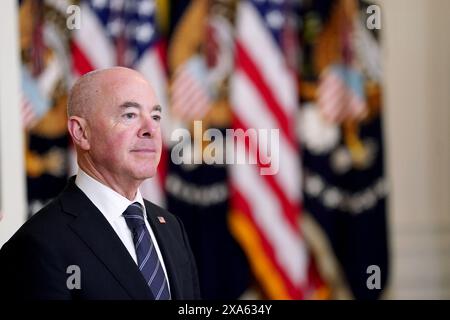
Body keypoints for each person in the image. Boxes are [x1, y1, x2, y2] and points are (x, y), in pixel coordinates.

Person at [0, 67, 201, 300]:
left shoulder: (171, 227)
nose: (151, 129)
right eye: (130, 115)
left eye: (155, 116)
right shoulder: (38, 244)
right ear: (81, 132)